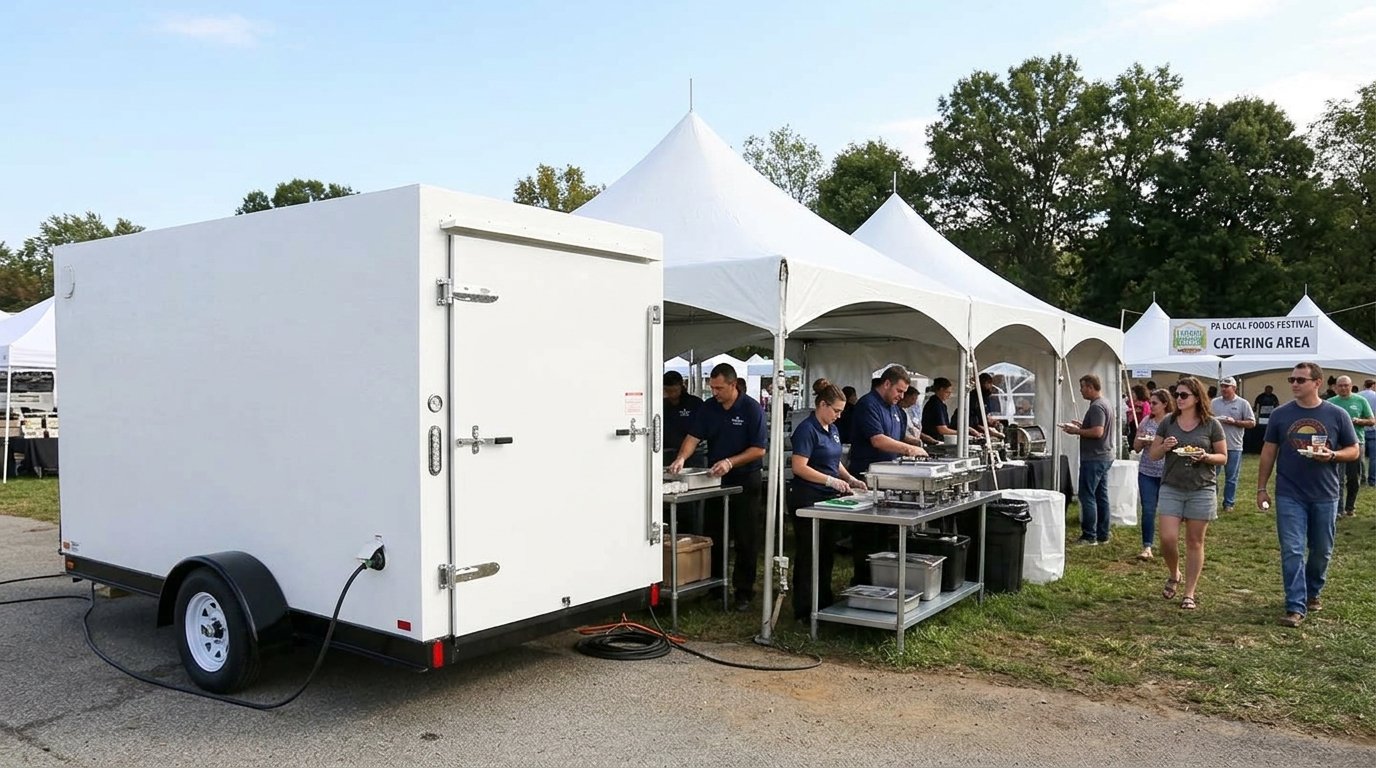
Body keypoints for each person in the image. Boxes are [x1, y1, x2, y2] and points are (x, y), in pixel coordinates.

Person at [1256, 362, 1360, 628]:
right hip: (1289, 492)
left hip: (1325, 493)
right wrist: (1261, 487)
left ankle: (1313, 591)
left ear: (1317, 382)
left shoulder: (1337, 415)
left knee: (1321, 551)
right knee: (1292, 549)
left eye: (1300, 380)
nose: (1294, 384)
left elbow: (1354, 450)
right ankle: (1295, 605)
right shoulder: (1281, 414)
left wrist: (1333, 455)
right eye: (1292, 379)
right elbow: (1268, 452)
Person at [666, 363, 767, 612]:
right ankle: (714, 587)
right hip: (715, 479)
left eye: (719, 388)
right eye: (712, 388)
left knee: (745, 537)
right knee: (714, 532)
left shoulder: (752, 409)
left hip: (745, 479)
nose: (715, 392)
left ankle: (743, 591)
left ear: (733, 385)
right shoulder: (709, 408)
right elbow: (693, 436)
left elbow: (759, 449)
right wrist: (681, 458)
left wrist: (731, 462)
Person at [788, 378, 868, 621]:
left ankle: (823, 600)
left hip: (828, 499)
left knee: (826, 552)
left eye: (841, 412)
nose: (838, 416)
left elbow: (834, 462)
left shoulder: (832, 429)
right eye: (835, 411)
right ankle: (803, 607)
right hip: (807, 496)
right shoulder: (806, 430)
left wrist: (850, 479)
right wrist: (829, 481)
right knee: (808, 553)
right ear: (822, 405)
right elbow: (799, 467)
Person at [1146, 377, 1226, 610]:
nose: (1178, 399)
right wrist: (1164, 447)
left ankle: (1189, 592)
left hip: (1202, 487)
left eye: (1183, 395)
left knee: (1194, 541)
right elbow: (1153, 455)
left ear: (1196, 397)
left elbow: (1223, 457)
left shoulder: (1211, 424)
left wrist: (1205, 457)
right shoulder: (1168, 422)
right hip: (1171, 485)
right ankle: (1174, 573)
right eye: (1176, 394)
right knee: (1167, 539)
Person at [847, 366, 928, 581]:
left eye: (904, 392)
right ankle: (863, 579)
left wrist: (918, 443)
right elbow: (878, 439)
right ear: (886, 384)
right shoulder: (867, 405)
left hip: (889, 479)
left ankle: (882, 576)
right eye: (899, 391)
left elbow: (898, 437)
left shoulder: (896, 410)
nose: (901, 396)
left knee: (885, 532)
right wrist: (910, 449)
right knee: (867, 534)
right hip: (866, 477)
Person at [1062, 374, 1115, 545]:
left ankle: (1089, 535)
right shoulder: (1105, 403)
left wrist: (1076, 431)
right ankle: (1103, 533)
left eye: (1082, 387)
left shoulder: (1096, 407)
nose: (1081, 390)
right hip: (1105, 455)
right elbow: (1098, 428)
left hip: (1094, 457)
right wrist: (1082, 426)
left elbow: (1098, 432)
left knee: (1087, 495)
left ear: (1091, 387)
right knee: (1101, 495)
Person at [662, 370, 706, 532]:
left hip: (692, 457)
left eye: (674, 390)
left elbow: (698, 433)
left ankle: (692, 534)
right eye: (667, 390)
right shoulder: (662, 405)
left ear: (682, 386)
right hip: (667, 456)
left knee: (689, 505)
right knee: (667, 499)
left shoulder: (694, 404)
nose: (671, 394)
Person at [1132, 389, 1172, 561]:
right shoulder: (1146, 421)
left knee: (1168, 511)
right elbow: (1136, 447)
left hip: (1167, 473)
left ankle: (1168, 544)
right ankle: (1147, 546)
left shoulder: (1172, 422)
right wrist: (1141, 439)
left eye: (1155, 403)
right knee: (1148, 509)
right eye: (1151, 402)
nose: (1151, 406)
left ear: (1165, 404)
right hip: (1147, 471)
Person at [1328, 376, 1374, 516]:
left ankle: (1350, 507)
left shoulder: (1360, 400)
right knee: (1338, 478)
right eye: (1340, 386)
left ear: (1351, 386)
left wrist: (1359, 420)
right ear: (1335, 387)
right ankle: (1339, 509)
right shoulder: (1330, 403)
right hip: (1337, 444)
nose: (1343, 388)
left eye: (1346, 385)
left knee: (1354, 478)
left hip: (1356, 442)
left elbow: (1372, 421)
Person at [1210, 376, 1256, 514]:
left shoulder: (1243, 403)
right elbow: (1205, 418)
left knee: (1231, 477)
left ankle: (1228, 503)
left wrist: (1235, 422)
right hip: (1215, 446)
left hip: (1234, 445)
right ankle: (1212, 501)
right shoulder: (1214, 402)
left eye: (1227, 386)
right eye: (1222, 386)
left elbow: (1252, 423)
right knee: (1212, 476)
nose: (1223, 389)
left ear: (1234, 388)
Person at [921, 377, 976, 444]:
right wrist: (962, 433)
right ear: (940, 390)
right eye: (947, 392)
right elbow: (942, 430)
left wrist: (967, 429)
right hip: (934, 440)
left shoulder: (940, 404)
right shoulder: (935, 404)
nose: (949, 395)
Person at [1361, 379, 1376, 487]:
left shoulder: (1358, 395)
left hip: (1360, 428)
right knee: (1373, 457)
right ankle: (1372, 480)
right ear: (1373, 385)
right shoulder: (1375, 396)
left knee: (1359, 456)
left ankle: (1361, 477)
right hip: (1373, 429)